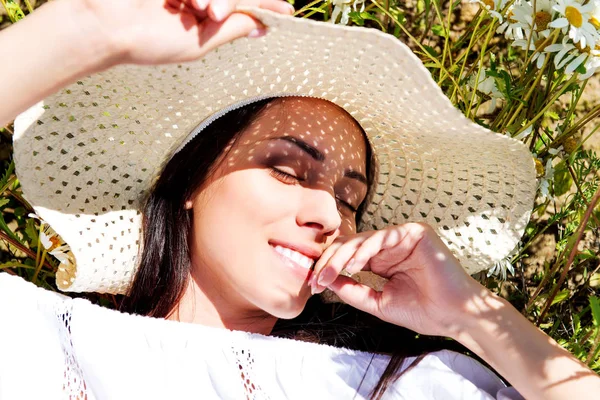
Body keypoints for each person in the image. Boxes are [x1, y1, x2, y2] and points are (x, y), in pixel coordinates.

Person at [0, 0, 599, 399]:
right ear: (188, 181)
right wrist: (85, 28)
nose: (328, 216)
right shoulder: (42, 342)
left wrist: (470, 317)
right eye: (286, 170)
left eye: (351, 201)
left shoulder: (395, 385)